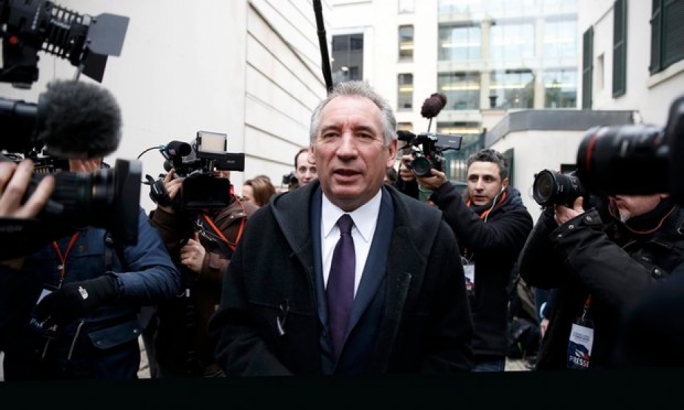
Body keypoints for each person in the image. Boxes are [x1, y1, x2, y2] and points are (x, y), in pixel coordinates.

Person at [208, 80, 473, 375]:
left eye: (363, 135)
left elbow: (452, 350)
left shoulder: (431, 235)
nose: (346, 150)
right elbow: (233, 330)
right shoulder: (267, 226)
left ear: (391, 151)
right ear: (313, 150)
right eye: (331, 134)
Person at [0, 157, 181, 380]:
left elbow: (165, 277)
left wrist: (106, 287)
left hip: (107, 366)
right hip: (31, 362)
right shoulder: (16, 208)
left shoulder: (119, 207)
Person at [518, 192, 684, 370]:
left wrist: (581, 238)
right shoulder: (597, 211)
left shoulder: (677, 237)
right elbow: (536, 274)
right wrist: (554, 214)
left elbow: (653, 306)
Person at [414, 148, 533, 372]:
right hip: (443, 341)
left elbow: (483, 238)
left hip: (485, 346)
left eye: (488, 179)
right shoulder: (453, 207)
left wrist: (444, 190)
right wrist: (411, 183)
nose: (478, 186)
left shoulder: (518, 217)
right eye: (473, 178)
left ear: (504, 183)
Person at [150, 168, 257, 377]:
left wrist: (208, 264)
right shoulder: (173, 210)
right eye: (204, 164)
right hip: (173, 350)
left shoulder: (252, 214)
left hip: (223, 355)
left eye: (217, 163)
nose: (211, 171)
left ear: (228, 168)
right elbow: (149, 261)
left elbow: (261, 277)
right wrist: (165, 211)